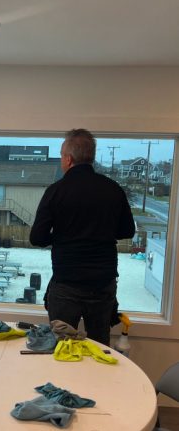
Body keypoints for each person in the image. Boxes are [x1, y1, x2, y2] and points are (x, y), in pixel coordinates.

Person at [29, 129, 135, 345]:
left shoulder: (56, 191)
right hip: (103, 284)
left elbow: (37, 237)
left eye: (61, 155)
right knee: (98, 346)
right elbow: (128, 231)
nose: (61, 160)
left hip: (67, 283)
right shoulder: (113, 189)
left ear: (68, 159)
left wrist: (62, 235)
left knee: (61, 345)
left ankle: (59, 380)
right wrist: (100, 233)